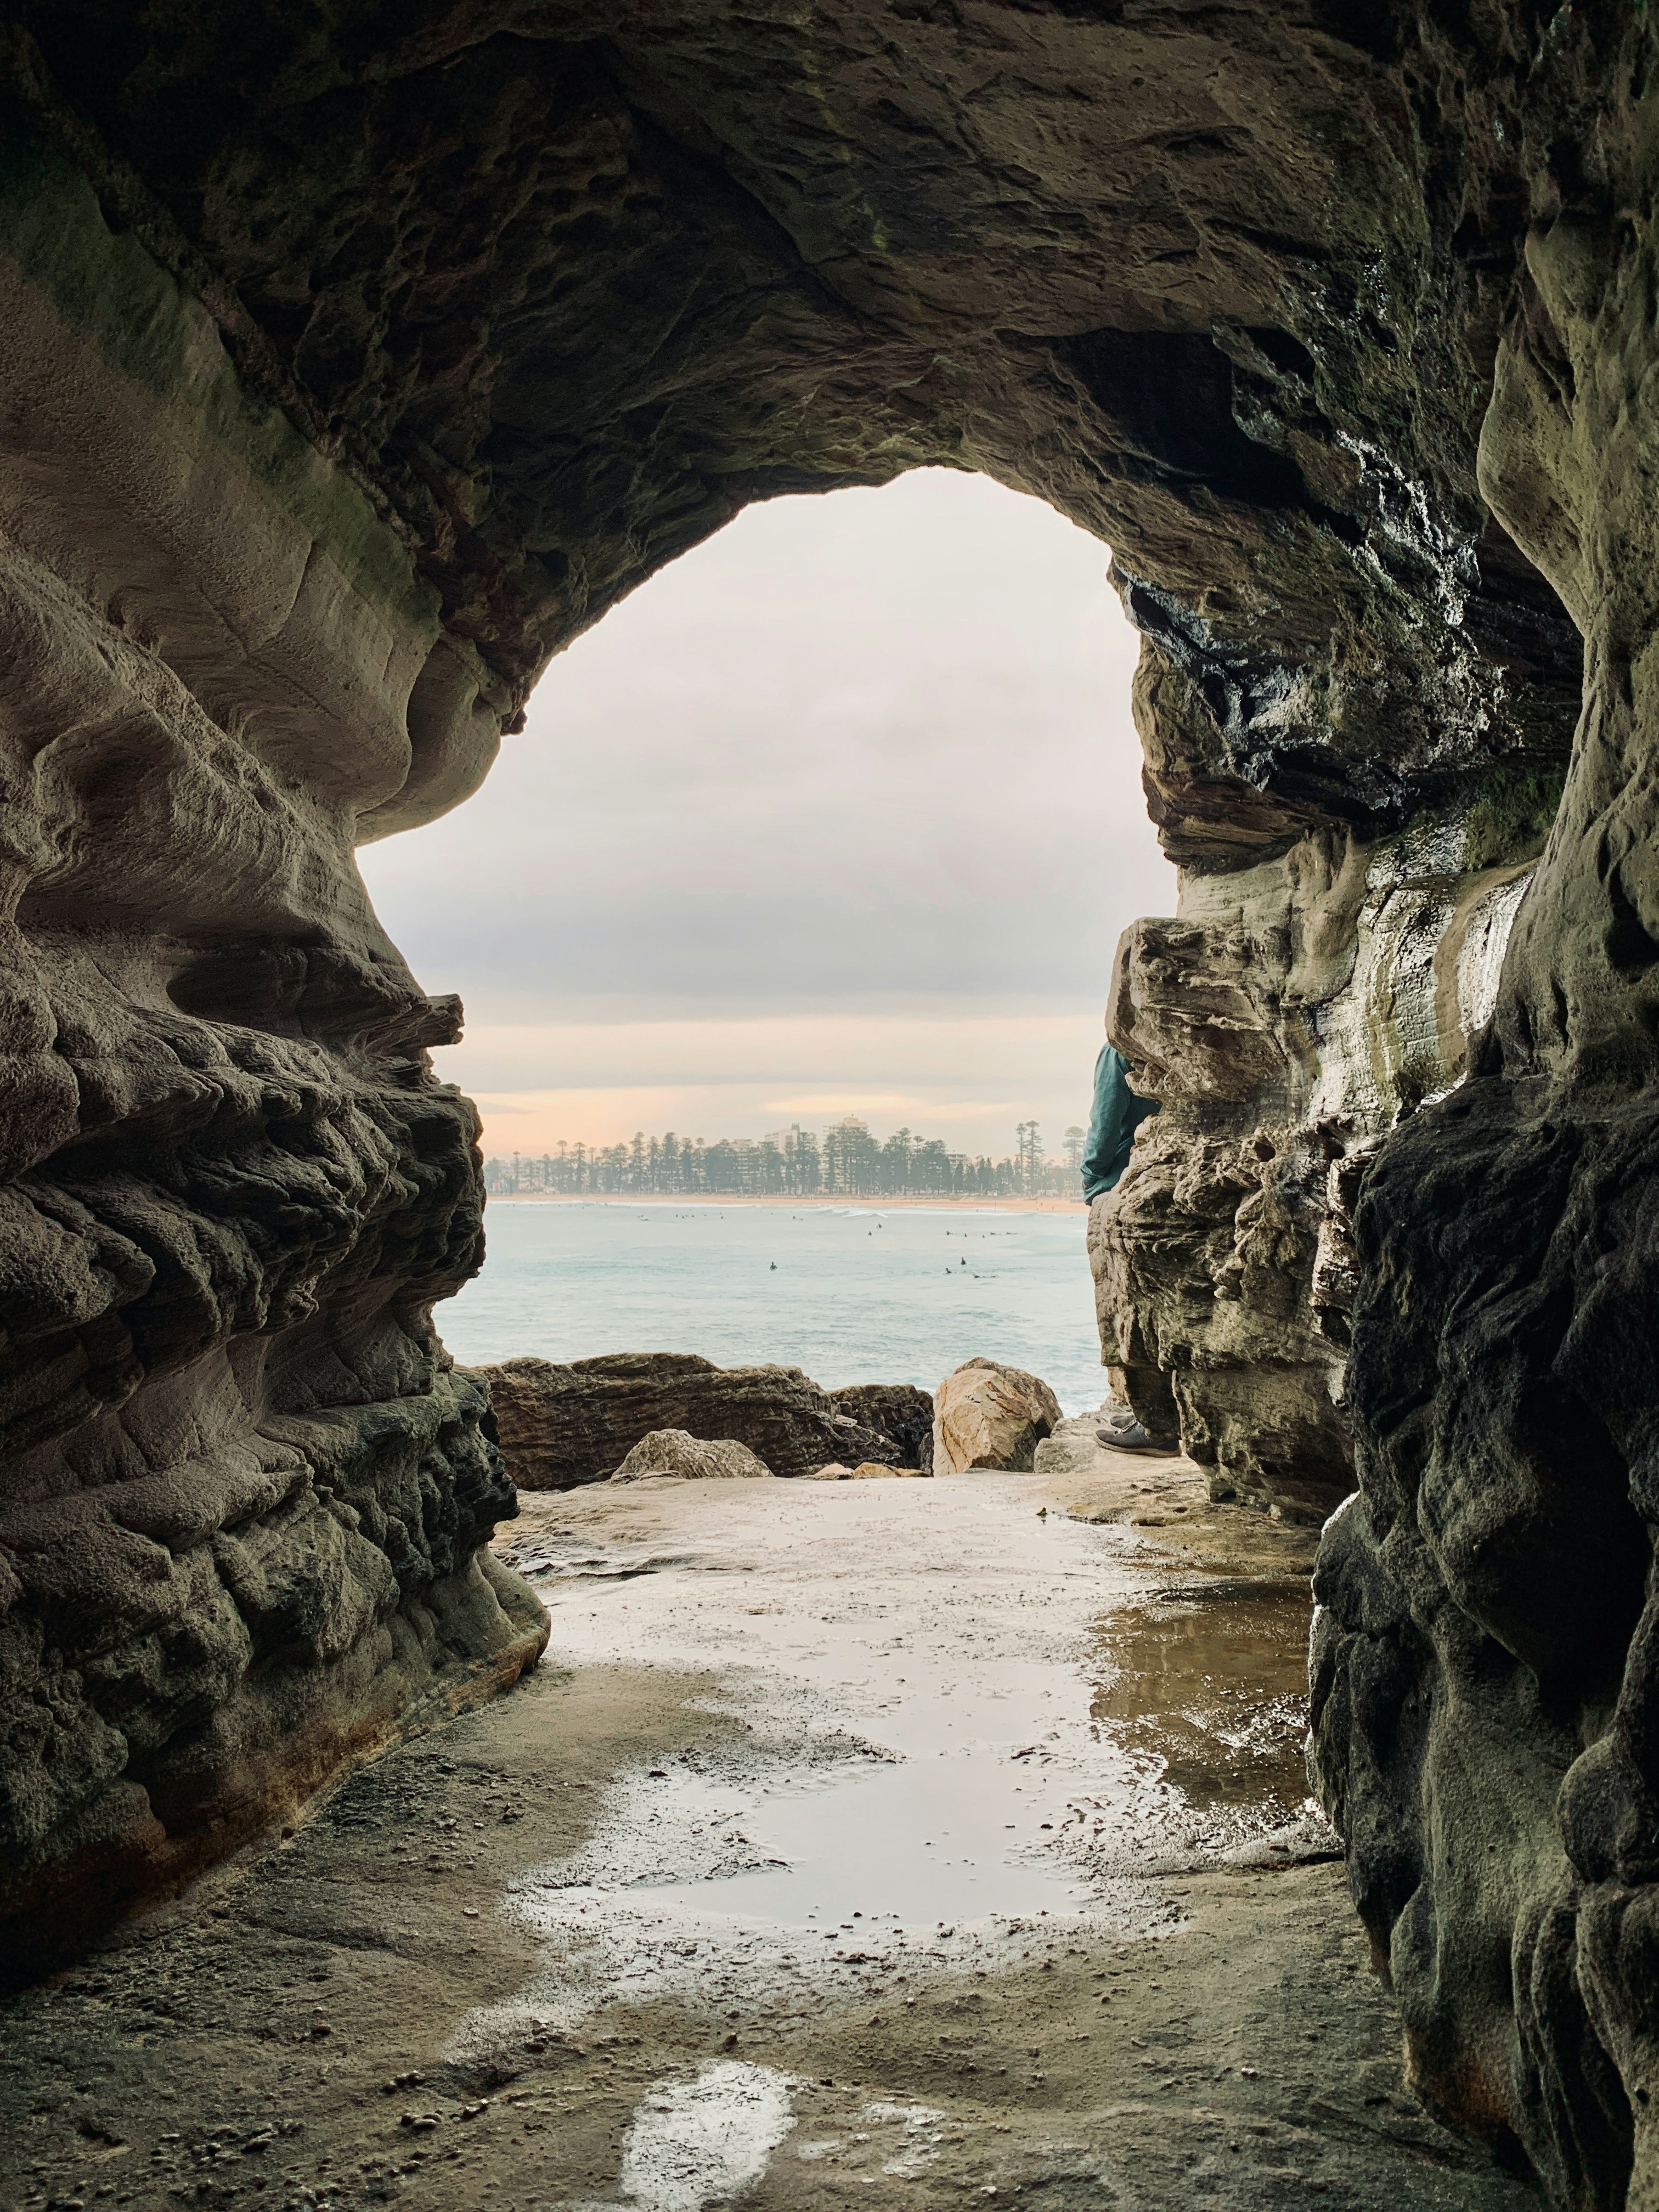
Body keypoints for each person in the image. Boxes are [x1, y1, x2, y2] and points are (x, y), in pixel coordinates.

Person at [1080, 1041, 1177, 1457]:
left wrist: (1091, 1176)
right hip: (1162, 1177)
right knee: (1162, 1307)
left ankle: (1155, 1428)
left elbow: (1105, 1118)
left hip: (1119, 1184)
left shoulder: (1119, 1051)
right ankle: (1157, 1416)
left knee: (1125, 1312)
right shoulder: (1171, 1045)